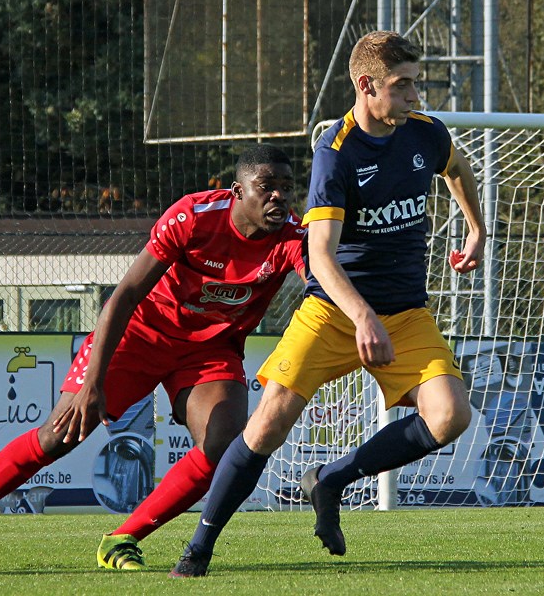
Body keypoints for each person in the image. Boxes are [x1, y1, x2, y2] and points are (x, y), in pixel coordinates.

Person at [169, 31, 486, 578]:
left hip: (406, 313)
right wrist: (362, 316)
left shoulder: (426, 132)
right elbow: (319, 255)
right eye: (402, 85)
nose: (415, 96)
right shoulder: (335, 154)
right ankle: (198, 547)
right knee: (267, 426)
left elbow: (457, 167)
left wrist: (476, 229)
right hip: (335, 311)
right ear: (367, 86)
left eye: (415, 84)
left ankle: (331, 479)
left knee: (451, 414)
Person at [0, 144, 306, 571]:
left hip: (211, 349)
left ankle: (123, 539)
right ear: (237, 191)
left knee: (222, 445)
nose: (278, 196)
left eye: (286, 187)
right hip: (141, 334)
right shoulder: (193, 216)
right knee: (59, 436)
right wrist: (92, 383)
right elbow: (125, 296)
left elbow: (321, 282)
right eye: (266, 186)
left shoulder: (294, 237)